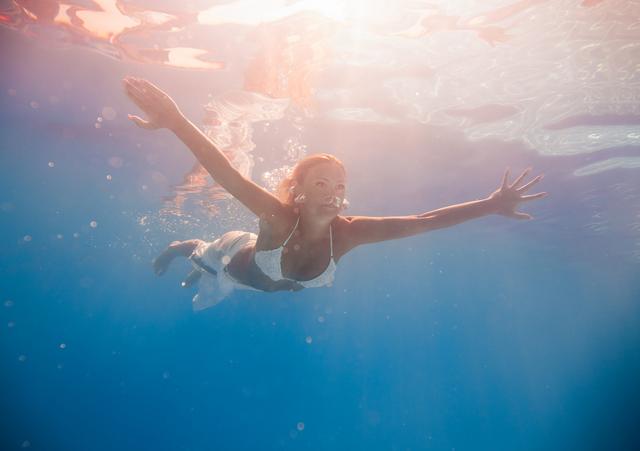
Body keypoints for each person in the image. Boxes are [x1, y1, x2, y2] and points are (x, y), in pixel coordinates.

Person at [123, 76, 547, 311]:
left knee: (209, 282)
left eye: (340, 185)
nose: (333, 194)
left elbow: (425, 221)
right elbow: (226, 174)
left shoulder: (349, 232)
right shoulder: (278, 218)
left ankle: (197, 267)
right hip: (233, 258)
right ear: (299, 194)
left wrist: (491, 204)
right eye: (321, 184)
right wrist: (176, 121)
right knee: (204, 258)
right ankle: (183, 249)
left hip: (264, 285)